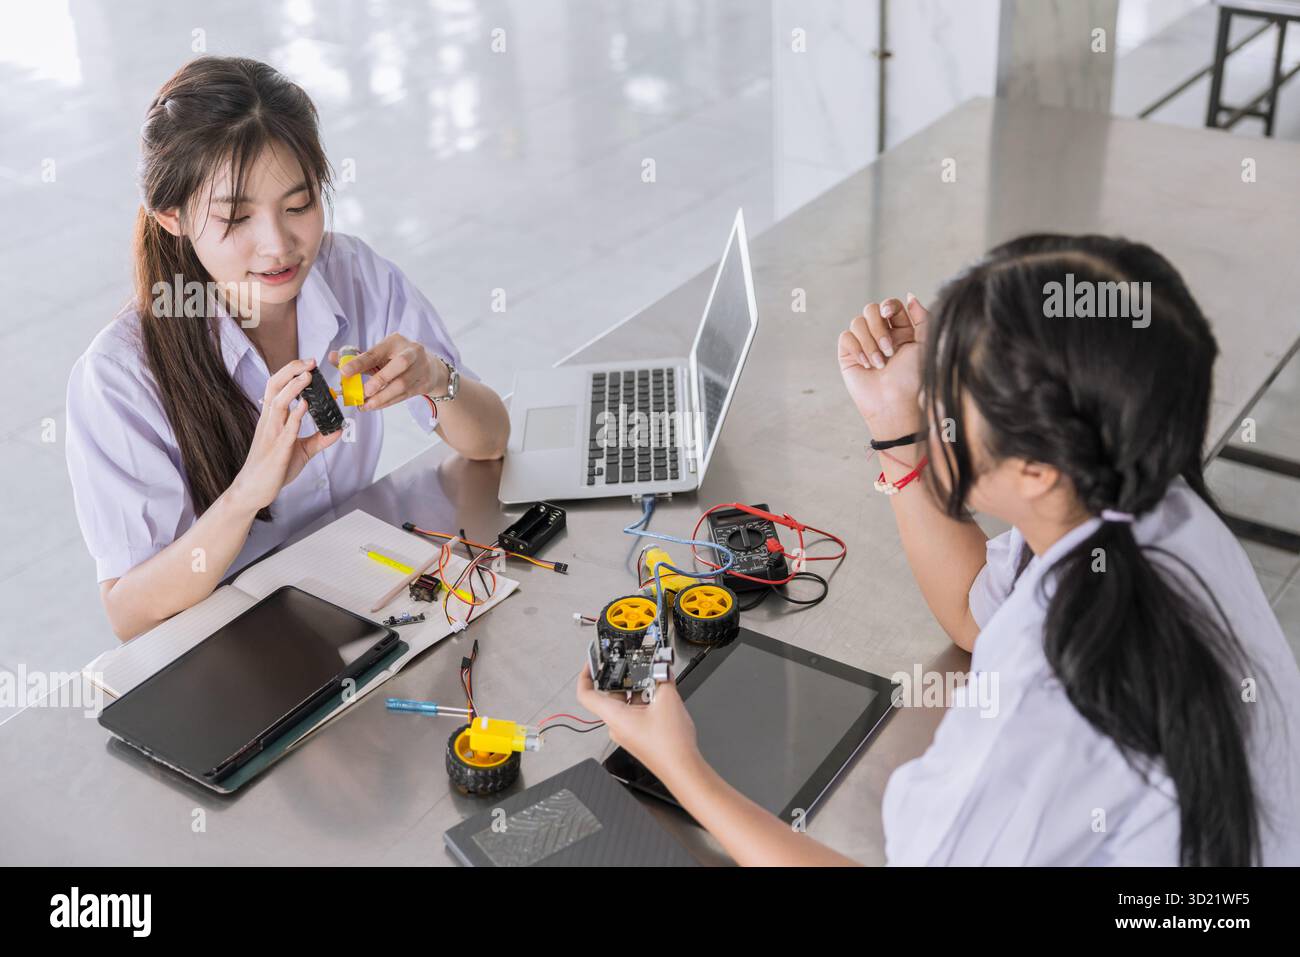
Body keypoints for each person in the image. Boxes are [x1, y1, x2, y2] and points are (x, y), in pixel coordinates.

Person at [577, 234, 1300, 865]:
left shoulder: (1051, 708)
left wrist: (681, 768)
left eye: (948, 392)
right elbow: (972, 614)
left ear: (1037, 469)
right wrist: (897, 422)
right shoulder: (1153, 507)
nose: (932, 397)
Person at [65, 56, 509, 641]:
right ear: (171, 217)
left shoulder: (354, 272)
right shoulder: (119, 376)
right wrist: (249, 493)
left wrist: (436, 378)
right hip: (238, 643)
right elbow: (130, 613)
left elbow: (491, 441)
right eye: (236, 218)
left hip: (362, 593)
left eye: (299, 206)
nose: (278, 246)